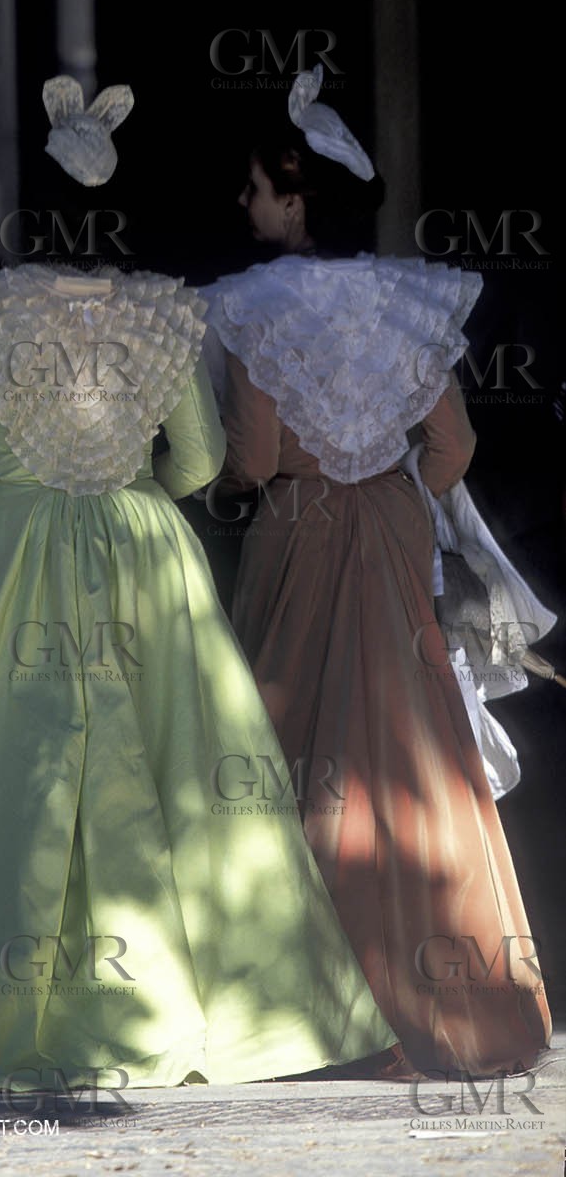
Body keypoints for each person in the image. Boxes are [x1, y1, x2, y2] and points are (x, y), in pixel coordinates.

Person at [0, 77, 395, 1093]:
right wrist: (128, 489)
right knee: (173, 768)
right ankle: (198, 1004)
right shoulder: (165, 312)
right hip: (141, 540)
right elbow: (201, 464)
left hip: (13, 547)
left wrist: (16, 482)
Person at [200, 66, 552, 1076]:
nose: (243, 203)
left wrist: (236, 491)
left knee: (292, 730)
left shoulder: (253, 306)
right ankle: (454, 987)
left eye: (254, 189)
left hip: (299, 529)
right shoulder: (406, 301)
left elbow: (253, 460)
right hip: (392, 528)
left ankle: (304, 1001)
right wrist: (392, 487)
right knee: (411, 741)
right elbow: (451, 446)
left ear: (295, 194)